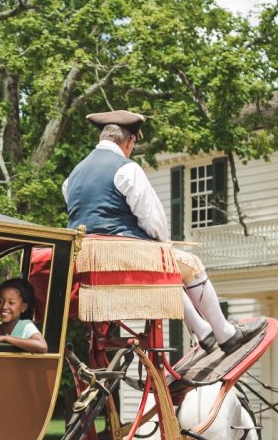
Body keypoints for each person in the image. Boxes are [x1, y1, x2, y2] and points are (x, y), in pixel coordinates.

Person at [64, 109, 253, 355]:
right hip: (121, 258)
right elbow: (155, 221)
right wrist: (164, 246)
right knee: (191, 264)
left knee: (166, 272)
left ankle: (203, 330)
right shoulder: (126, 169)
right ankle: (224, 333)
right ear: (129, 142)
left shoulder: (72, 176)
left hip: (86, 264)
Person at [0, 278, 47, 354]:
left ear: (23, 307)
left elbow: (42, 347)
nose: (4, 306)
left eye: (11, 303)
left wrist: (7, 338)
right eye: (0, 301)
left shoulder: (25, 326)